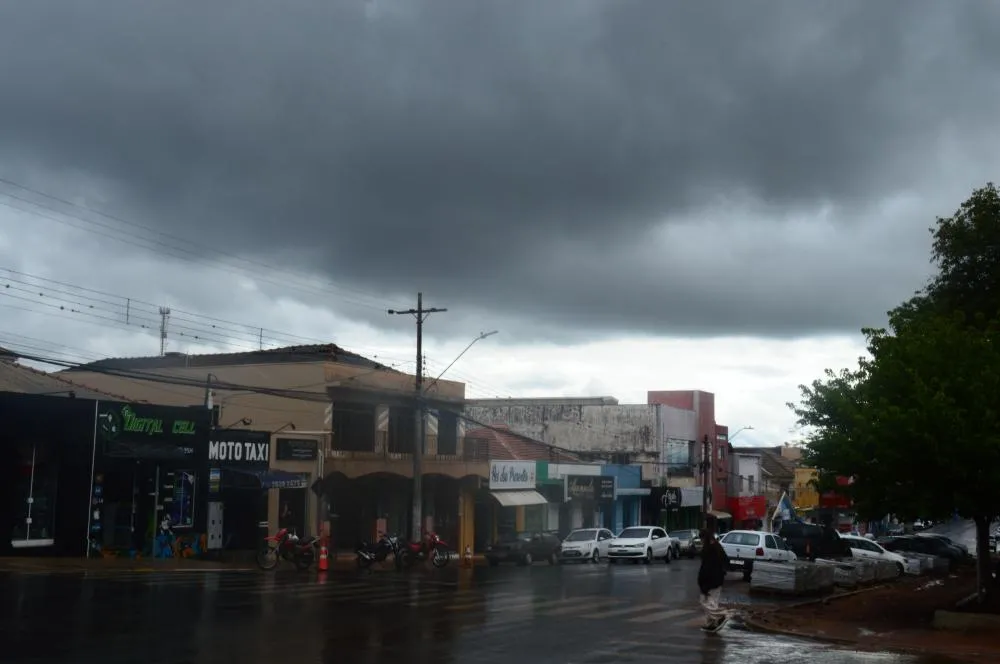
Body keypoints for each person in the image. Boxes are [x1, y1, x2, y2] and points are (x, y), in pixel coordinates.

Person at [697, 527, 728, 631]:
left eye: (701, 539)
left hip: (711, 581)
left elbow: (707, 568)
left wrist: (704, 584)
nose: (700, 541)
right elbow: (725, 560)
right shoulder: (716, 546)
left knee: (706, 602)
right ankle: (711, 623)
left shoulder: (709, 549)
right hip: (717, 579)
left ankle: (720, 616)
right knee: (712, 602)